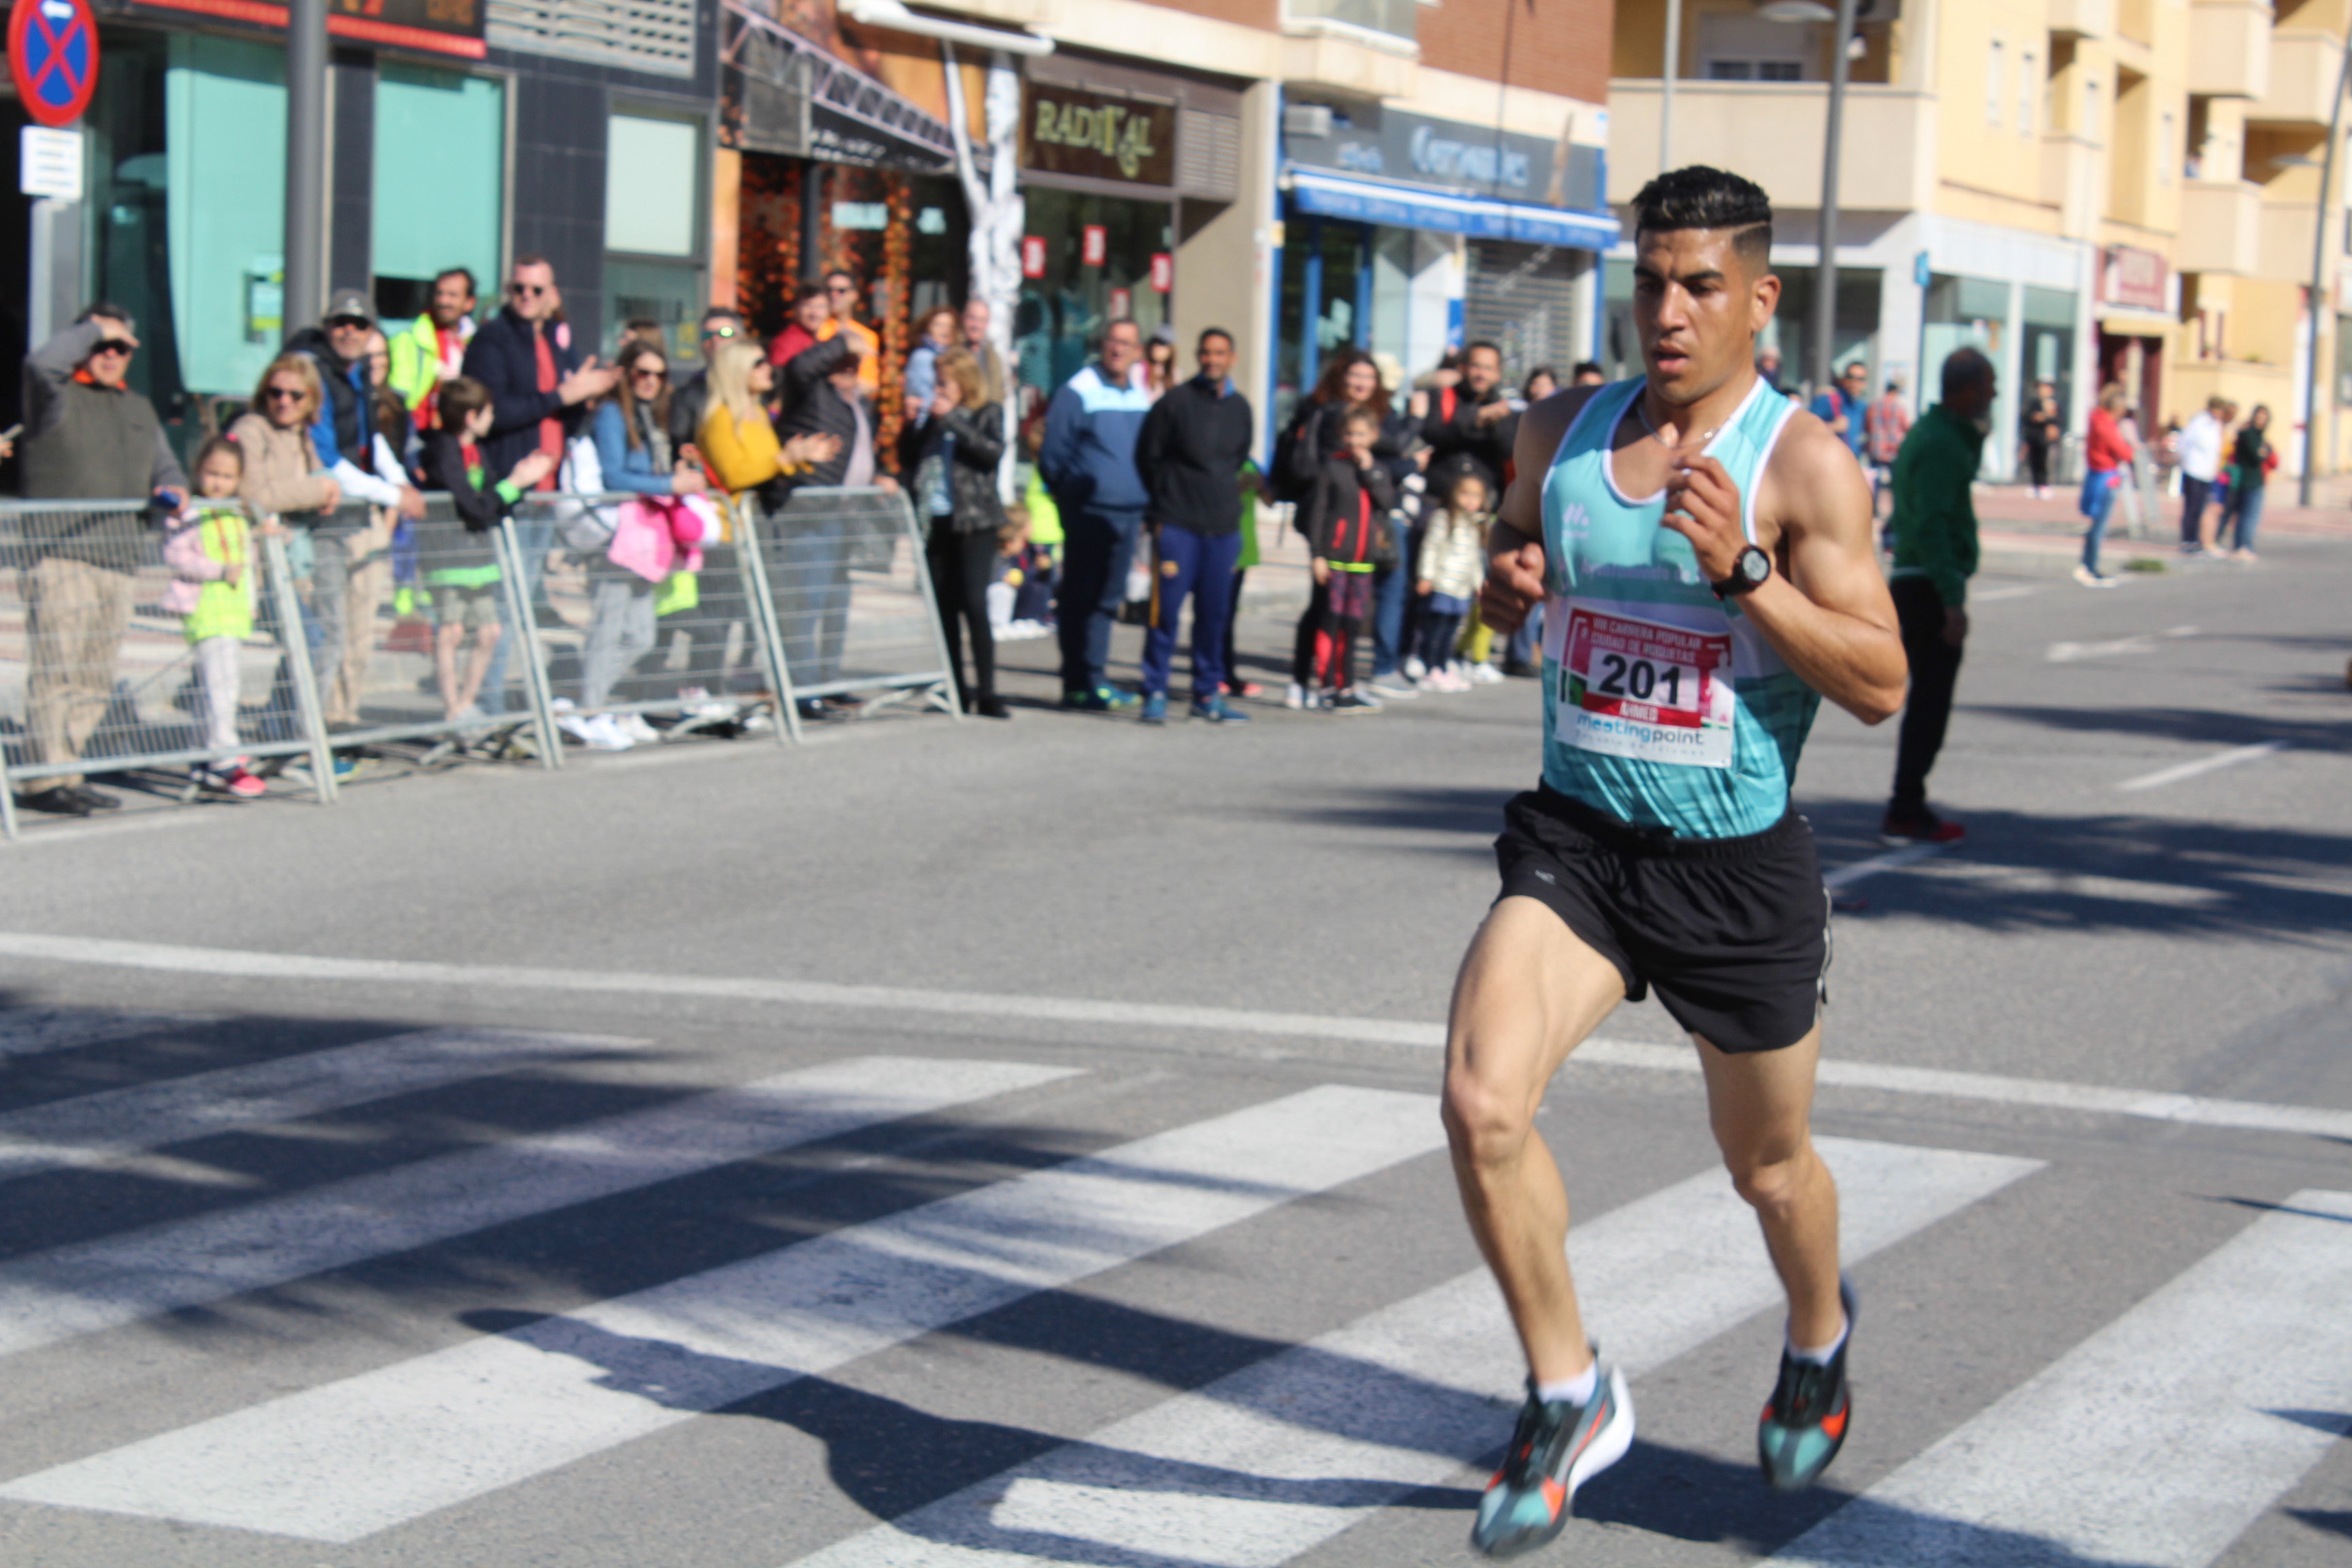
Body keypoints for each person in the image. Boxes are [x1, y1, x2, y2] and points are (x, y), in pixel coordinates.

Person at [1450, 165, 1906, 1558]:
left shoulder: (1804, 464)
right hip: (1581, 845)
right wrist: (1503, 584)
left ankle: (1819, 1337)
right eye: (1650, 279)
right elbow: (1511, 571)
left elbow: (1883, 681)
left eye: (1701, 283)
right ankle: (1567, 1389)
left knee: (1768, 1173)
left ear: (1759, 299)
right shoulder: (1559, 433)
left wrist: (1751, 577)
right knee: (1482, 1104)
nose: (1669, 309)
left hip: (1733, 869)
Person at [12, 305, 190, 816]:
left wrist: (174, 487)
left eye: (121, 347)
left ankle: (69, 769)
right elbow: (40, 364)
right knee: (57, 670)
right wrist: (92, 329)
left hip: (118, 557)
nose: (110, 355)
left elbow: (167, 464)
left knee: (94, 675)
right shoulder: (56, 396)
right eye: (102, 345)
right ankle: (42, 779)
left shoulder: (138, 407)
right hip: (61, 554)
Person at [573, 339, 713, 745]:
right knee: (609, 627)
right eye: (642, 373)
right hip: (617, 537)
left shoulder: (652, 416)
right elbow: (614, 476)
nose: (650, 381)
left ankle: (588, 702)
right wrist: (668, 483)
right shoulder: (614, 414)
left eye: (659, 374)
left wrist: (678, 470)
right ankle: (589, 709)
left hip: (645, 539)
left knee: (641, 635)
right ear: (626, 374)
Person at [1884, 348, 1993, 846]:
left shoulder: (1936, 436)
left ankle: (1910, 802)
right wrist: (1951, 599)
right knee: (1930, 701)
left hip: (1920, 576)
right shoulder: (1942, 443)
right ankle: (1906, 807)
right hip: (1925, 581)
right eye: (1988, 387)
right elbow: (1930, 524)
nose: (1992, 396)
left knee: (1929, 699)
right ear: (1966, 389)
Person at [702, 340, 840, 708]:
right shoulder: (719, 418)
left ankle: (789, 694)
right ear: (737, 371)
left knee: (785, 610)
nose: (769, 370)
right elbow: (734, 473)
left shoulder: (758, 414)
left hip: (759, 529)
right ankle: (706, 693)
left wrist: (800, 457)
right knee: (721, 622)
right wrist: (785, 458)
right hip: (727, 535)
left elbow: (766, 467)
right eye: (759, 363)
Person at [1134, 327, 1255, 725]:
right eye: (1206, 353)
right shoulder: (1174, 404)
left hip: (1222, 528)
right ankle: (1155, 690)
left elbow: (1236, 460)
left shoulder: (1240, 409)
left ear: (1232, 358)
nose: (1212, 360)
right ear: (1198, 356)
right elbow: (1147, 457)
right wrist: (1165, 504)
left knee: (1214, 615)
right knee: (1165, 613)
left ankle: (1207, 692)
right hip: (1177, 525)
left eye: (1220, 353)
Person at [419, 376, 552, 723]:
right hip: (448, 558)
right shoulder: (442, 449)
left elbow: (494, 501)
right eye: (488, 412)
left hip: (481, 559)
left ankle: (468, 702)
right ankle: (452, 707)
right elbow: (473, 506)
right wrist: (513, 485)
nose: (493, 419)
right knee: (451, 631)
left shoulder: (478, 450)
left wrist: (522, 479)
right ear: (471, 416)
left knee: (490, 631)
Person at [1039, 318, 1153, 710]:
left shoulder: (1139, 394)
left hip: (1128, 515)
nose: (1119, 349)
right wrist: (1072, 498)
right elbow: (1053, 456)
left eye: (1128, 343)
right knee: (1080, 598)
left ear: (1137, 351)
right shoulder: (1078, 391)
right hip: (1088, 513)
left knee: (1108, 599)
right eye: (1113, 341)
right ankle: (1076, 683)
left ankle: (1097, 679)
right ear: (1102, 345)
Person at [161, 436, 270, 798]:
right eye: (212, 473)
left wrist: (251, 598)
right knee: (222, 685)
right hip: (207, 609)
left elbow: (248, 560)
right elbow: (178, 557)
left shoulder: (238, 513)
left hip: (234, 611)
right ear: (197, 472)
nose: (218, 483)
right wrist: (219, 570)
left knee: (217, 684)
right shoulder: (191, 512)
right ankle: (223, 758)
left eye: (227, 476)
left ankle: (203, 754)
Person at [911, 347, 1013, 719]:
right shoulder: (935, 417)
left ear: (964, 382)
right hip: (937, 519)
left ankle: (987, 691)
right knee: (944, 607)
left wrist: (952, 419)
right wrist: (918, 422)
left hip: (974, 521)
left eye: (944, 382)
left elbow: (991, 452)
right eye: (936, 382)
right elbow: (912, 457)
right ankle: (955, 687)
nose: (938, 389)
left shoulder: (988, 412)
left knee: (974, 603)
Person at [1290, 406, 1394, 712]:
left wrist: (1370, 471)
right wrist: (1318, 555)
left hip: (1363, 561)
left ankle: (1347, 685)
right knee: (1330, 621)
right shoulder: (1331, 467)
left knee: (1353, 623)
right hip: (1334, 559)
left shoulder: (1378, 470)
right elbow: (1318, 513)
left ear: (1373, 436)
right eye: (1349, 434)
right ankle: (1326, 687)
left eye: (1361, 434)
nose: (1354, 441)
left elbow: (1386, 502)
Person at [1405, 468, 1491, 692]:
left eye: (1476, 495)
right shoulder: (1443, 518)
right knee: (1436, 628)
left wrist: (1479, 584)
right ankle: (1429, 666)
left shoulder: (1477, 524)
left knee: (1452, 630)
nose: (1471, 500)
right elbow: (1430, 549)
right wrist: (1426, 576)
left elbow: (1475, 560)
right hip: (1443, 584)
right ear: (1454, 494)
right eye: (1465, 493)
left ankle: (1443, 667)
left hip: (1461, 589)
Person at [385, 267, 478, 431]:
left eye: (452, 295)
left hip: (461, 434)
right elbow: (398, 397)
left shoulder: (476, 342)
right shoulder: (410, 339)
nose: (443, 301)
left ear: (470, 302)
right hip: (419, 431)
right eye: (439, 293)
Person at [1421, 340, 1514, 493]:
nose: (1481, 374)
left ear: (1498, 374)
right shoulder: (1443, 397)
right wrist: (1476, 419)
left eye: (1488, 368)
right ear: (1463, 368)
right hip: (1442, 494)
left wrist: (1495, 423)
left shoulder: (1503, 409)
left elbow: (1508, 450)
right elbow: (1432, 434)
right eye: (1476, 366)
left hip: (1486, 498)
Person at [2076, 381, 2134, 587]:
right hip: (2106, 476)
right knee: (2099, 525)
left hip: (2096, 474)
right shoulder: (2105, 424)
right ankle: (2090, 566)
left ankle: (2088, 563)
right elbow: (2124, 452)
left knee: (2096, 524)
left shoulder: (2096, 420)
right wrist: (2129, 448)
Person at [670, 307, 746, 452]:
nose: (715, 340)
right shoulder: (687, 395)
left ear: (740, 339)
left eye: (725, 333)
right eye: (707, 335)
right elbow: (680, 442)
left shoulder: (758, 385)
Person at [2217, 403, 2272, 561]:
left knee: (2244, 515)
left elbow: (2264, 452)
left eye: (2265, 417)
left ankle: (2241, 546)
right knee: (2248, 516)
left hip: (2254, 480)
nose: (2262, 420)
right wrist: (2265, 450)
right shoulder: (2249, 434)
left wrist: (2265, 450)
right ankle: (2242, 546)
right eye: (2259, 416)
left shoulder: (2257, 435)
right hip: (2248, 481)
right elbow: (2258, 455)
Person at [2176, 395, 2226, 554]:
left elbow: (2215, 450)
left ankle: (2195, 540)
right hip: (2193, 470)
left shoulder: (2216, 425)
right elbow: (2184, 443)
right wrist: (2185, 463)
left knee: (2200, 508)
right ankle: (2187, 540)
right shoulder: (2198, 422)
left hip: (2207, 473)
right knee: (2191, 507)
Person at [903, 305, 960, 429]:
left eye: (949, 326)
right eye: (939, 325)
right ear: (928, 328)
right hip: (929, 423)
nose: (945, 330)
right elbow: (925, 395)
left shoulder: (953, 356)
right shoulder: (923, 357)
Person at [1863, 377, 1912, 518]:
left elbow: (1867, 425)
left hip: (1876, 449)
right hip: (1893, 450)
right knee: (1896, 482)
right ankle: (1897, 510)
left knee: (1876, 482)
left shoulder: (1874, 405)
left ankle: (1873, 509)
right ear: (1895, 392)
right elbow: (1906, 427)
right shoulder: (1898, 407)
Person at [1809, 360, 1869, 468]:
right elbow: (1805, 429)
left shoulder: (1862, 407)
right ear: (1844, 380)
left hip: (1852, 465)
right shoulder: (1828, 400)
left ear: (1865, 383)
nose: (1854, 383)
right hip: (1827, 465)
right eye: (1851, 377)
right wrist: (1833, 427)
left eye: (1860, 379)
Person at [767, 286, 832, 378]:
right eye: (807, 305)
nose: (814, 313)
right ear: (795, 309)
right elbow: (778, 379)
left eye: (821, 306)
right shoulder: (788, 342)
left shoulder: (822, 337)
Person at [961, 297, 1011, 405]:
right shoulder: (953, 353)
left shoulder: (993, 356)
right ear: (964, 319)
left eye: (982, 320)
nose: (976, 325)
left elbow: (999, 393)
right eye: (972, 318)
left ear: (987, 324)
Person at [2020, 380, 2061, 499]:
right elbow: (2027, 416)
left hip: (2046, 439)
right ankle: (2035, 485)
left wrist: (2046, 417)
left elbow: (2057, 419)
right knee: (2033, 462)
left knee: (2045, 462)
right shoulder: (2033, 402)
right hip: (2034, 437)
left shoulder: (2054, 404)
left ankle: (2044, 485)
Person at [1141, 331, 1179, 402]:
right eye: (1154, 343)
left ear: (1170, 349)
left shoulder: (1174, 373)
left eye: (1162, 344)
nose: (1156, 347)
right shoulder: (1140, 369)